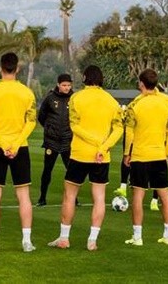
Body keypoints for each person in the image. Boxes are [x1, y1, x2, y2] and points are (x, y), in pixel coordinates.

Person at [47, 65, 122, 251]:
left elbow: (75, 126)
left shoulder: (76, 98)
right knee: (99, 198)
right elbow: (119, 128)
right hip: (101, 157)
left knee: (70, 195)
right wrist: (103, 146)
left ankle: (64, 238)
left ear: (85, 77)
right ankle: (92, 241)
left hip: (80, 154)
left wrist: (95, 142)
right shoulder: (111, 101)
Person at [0, 52, 37, 254]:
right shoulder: (27, 92)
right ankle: (27, 242)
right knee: (24, 195)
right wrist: (15, 143)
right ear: (17, 68)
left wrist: (4, 144)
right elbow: (31, 121)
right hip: (20, 147)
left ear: (1, 68)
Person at [122, 69, 168, 247]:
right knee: (164, 194)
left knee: (138, 195)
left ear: (141, 84)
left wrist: (127, 153)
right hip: (159, 155)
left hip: (140, 155)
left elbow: (130, 130)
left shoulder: (136, 104)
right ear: (156, 83)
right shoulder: (165, 103)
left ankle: (137, 237)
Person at [36, 73, 74, 207]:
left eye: (69, 85)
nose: (67, 88)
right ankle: (42, 198)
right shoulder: (50, 98)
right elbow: (41, 116)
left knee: (71, 172)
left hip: (68, 141)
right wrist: (49, 129)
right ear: (58, 85)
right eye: (64, 85)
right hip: (51, 141)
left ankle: (74, 199)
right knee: (47, 170)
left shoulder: (74, 98)